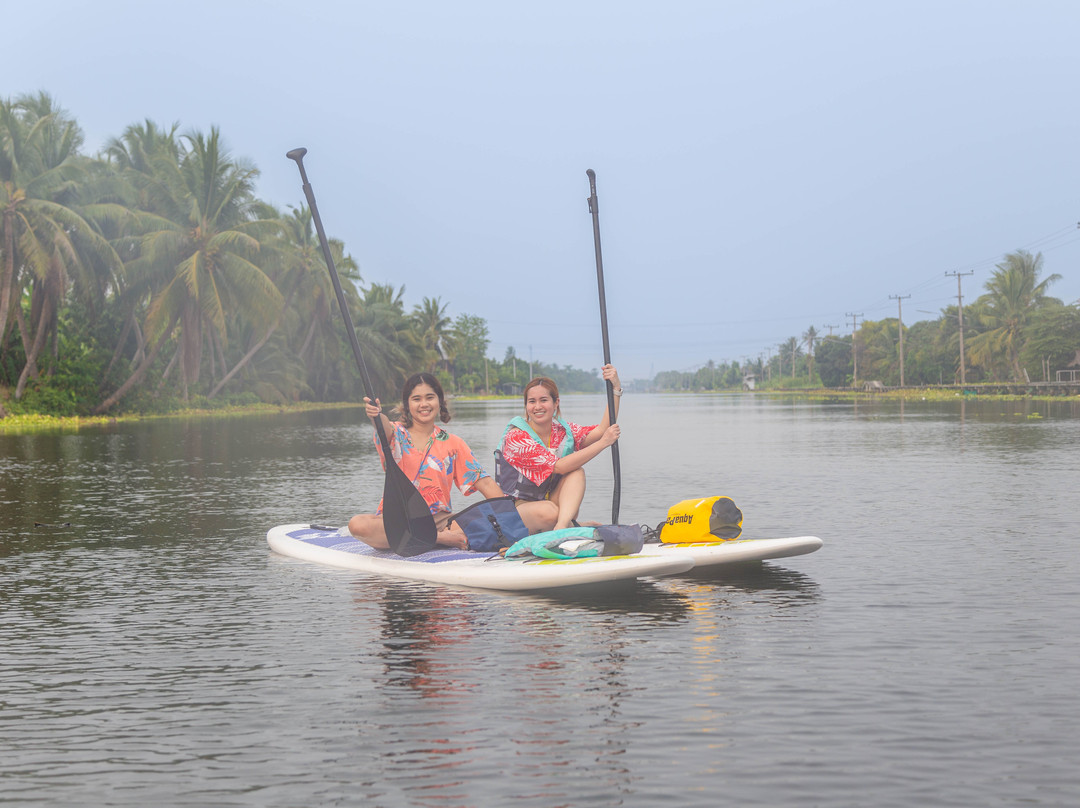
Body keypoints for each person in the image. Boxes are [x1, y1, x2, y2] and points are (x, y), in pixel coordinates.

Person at [348, 372, 505, 551]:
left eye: (429, 397)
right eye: (416, 399)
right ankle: (439, 539)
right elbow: (382, 426)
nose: (424, 404)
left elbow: (484, 482)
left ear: (439, 401)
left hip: (440, 521)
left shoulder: (453, 442)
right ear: (407, 404)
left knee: (487, 522)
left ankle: (430, 537)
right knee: (358, 525)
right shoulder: (396, 434)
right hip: (397, 522)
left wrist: (507, 518)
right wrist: (375, 416)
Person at [495, 365, 622, 532]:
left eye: (544, 400)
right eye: (532, 401)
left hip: (551, 505)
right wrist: (603, 443)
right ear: (526, 406)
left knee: (577, 472)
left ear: (556, 403)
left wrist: (616, 389)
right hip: (515, 508)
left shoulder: (562, 431)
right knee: (550, 512)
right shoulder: (516, 437)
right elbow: (559, 466)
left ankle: (561, 527)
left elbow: (601, 430)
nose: (537, 406)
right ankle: (572, 526)